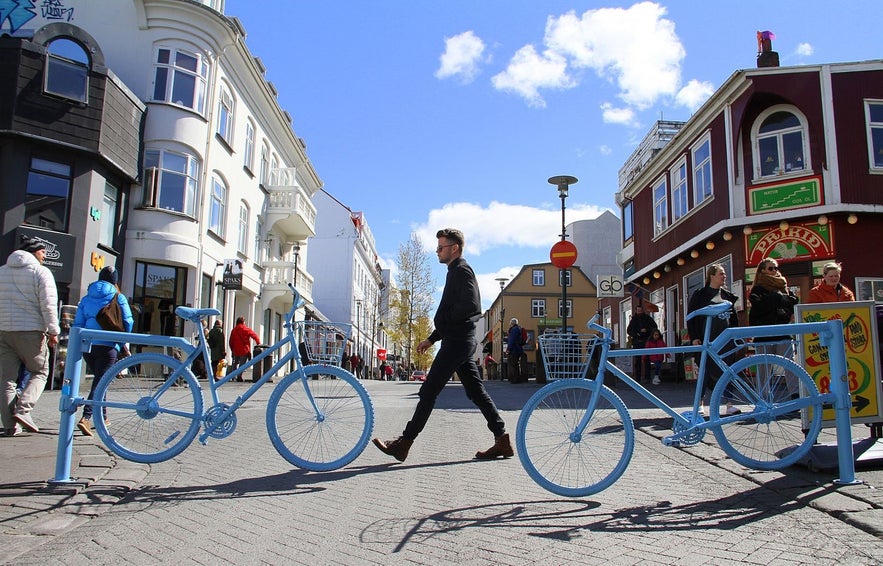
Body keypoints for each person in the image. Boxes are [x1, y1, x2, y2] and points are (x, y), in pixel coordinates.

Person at [372, 228, 512, 462]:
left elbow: (470, 306)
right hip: (458, 340)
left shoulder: (461, 270)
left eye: (441, 247)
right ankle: (502, 440)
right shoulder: (455, 271)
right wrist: (432, 338)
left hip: (457, 342)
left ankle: (403, 444)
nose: (437, 251)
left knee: (428, 392)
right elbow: (456, 311)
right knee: (476, 392)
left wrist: (445, 326)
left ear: (454, 248)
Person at [0, 236, 60, 436]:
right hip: (31, 332)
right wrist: (53, 331)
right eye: (43, 252)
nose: (44, 256)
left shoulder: (2, 272)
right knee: (40, 371)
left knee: (7, 379)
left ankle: (10, 425)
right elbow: (48, 305)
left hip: (4, 331)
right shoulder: (41, 273)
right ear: (34, 252)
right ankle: (23, 410)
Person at [71, 266, 134, 436]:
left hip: (88, 346)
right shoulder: (118, 296)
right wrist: (122, 342)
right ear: (115, 280)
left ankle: (103, 417)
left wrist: (77, 342)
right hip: (108, 346)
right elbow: (128, 321)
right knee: (100, 382)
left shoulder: (86, 297)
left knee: (101, 380)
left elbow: (78, 323)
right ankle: (86, 417)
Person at [687, 264, 741, 416]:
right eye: (721, 274)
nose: (724, 276)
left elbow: (734, 318)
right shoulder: (700, 295)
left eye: (724, 274)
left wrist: (736, 335)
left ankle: (729, 403)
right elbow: (692, 317)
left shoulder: (727, 296)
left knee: (728, 370)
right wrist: (695, 337)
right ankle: (700, 403)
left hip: (726, 339)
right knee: (704, 370)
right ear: (711, 276)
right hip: (707, 339)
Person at [748, 258, 799, 356]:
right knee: (764, 369)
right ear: (762, 270)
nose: (774, 270)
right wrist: (777, 297)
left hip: (783, 332)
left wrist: (790, 304)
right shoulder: (757, 289)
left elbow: (792, 303)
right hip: (764, 334)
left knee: (789, 366)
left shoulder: (784, 287)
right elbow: (759, 308)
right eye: (770, 268)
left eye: (776, 268)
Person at [627, 304, 657, 383]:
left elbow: (654, 327)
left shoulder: (647, 318)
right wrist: (636, 334)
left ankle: (647, 377)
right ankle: (638, 378)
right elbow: (629, 331)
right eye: (638, 310)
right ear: (636, 311)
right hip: (637, 342)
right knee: (637, 360)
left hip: (646, 342)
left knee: (647, 360)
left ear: (643, 310)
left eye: (641, 310)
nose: (639, 312)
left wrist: (646, 330)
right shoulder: (633, 320)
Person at [228, 316, 259, 381]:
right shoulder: (246, 329)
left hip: (236, 350)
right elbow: (254, 336)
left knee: (235, 363)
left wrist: (232, 349)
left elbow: (231, 341)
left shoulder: (234, 330)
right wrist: (258, 343)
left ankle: (233, 376)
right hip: (244, 350)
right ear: (243, 322)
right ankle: (239, 376)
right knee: (242, 364)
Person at [506, 318, 526, 383]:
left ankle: (515, 379)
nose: (510, 325)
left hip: (515, 349)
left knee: (514, 364)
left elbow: (512, 340)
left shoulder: (514, 329)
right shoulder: (518, 329)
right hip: (518, 348)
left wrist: (509, 349)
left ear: (512, 323)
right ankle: (517, 378)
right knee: (516, 364)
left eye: (510, 323)